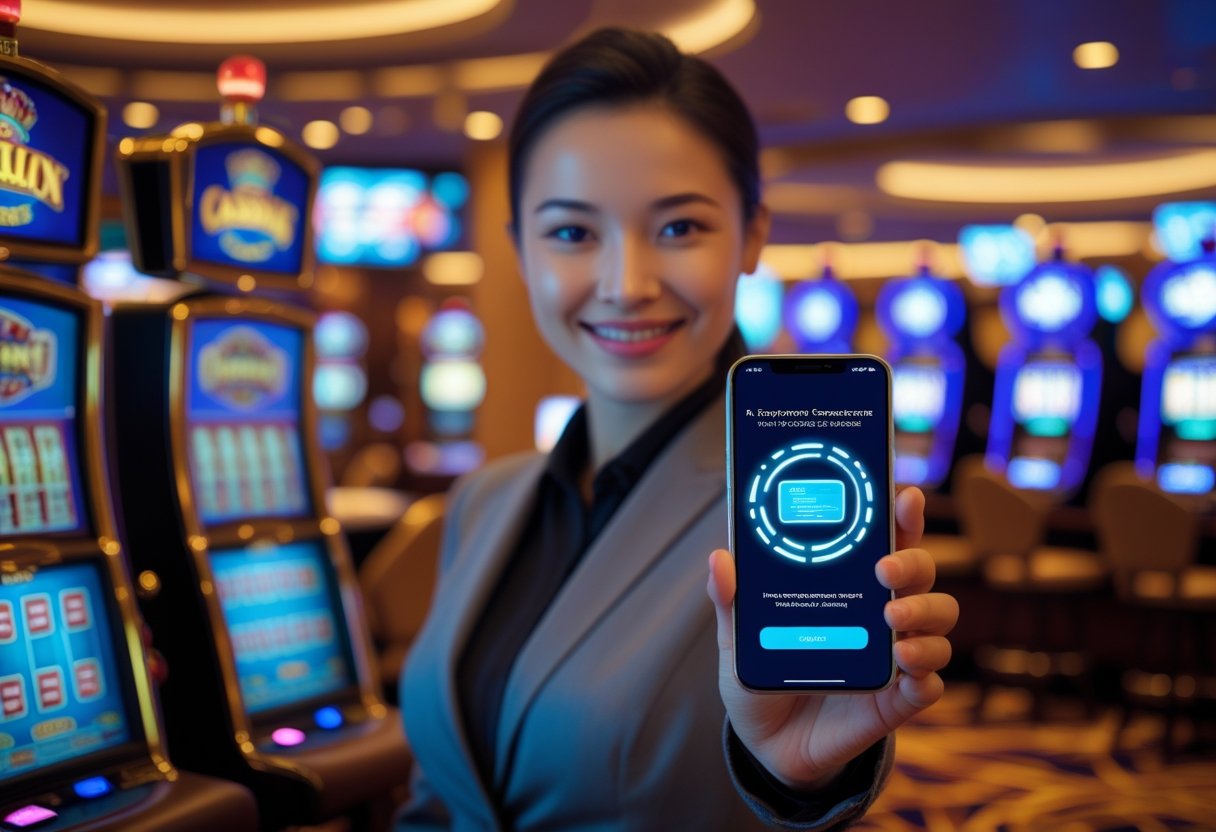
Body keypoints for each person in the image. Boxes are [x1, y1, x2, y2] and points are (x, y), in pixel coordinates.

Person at [397, 27, 959, 830]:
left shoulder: (798, 499)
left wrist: (798, 783)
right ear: (518, 248)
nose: (626, 285)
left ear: (752, 235)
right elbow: (443, 792)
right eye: (571, 232)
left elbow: (785, 769)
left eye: (679, 228)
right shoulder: (485, 500)